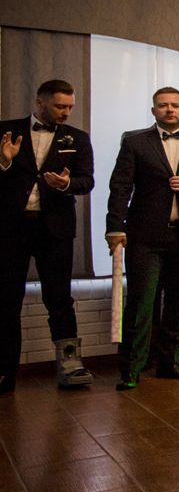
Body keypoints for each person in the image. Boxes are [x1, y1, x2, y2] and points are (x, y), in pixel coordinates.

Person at [107, 87, 179, 390]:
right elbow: (120, 187)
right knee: (141, 303)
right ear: (154, 111)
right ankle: (131, 370)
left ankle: (170, 364)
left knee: (178, 302)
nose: (169, 110)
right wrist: (114, 227)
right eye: (163, 105)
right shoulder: (135, 142)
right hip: (145, 236)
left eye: (175, 105)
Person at [0, 79, 95, 392]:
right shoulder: (6, 131)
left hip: (55, 229)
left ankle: (70, 366)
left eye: (70, 107)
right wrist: (4, 162)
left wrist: (66, 184)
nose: (66, 112)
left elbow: (87, 181)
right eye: (59, 106)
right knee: (6, 299)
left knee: (60, 299)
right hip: (10, 229)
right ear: (40, 103)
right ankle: (5, 371)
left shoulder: (78, 138)